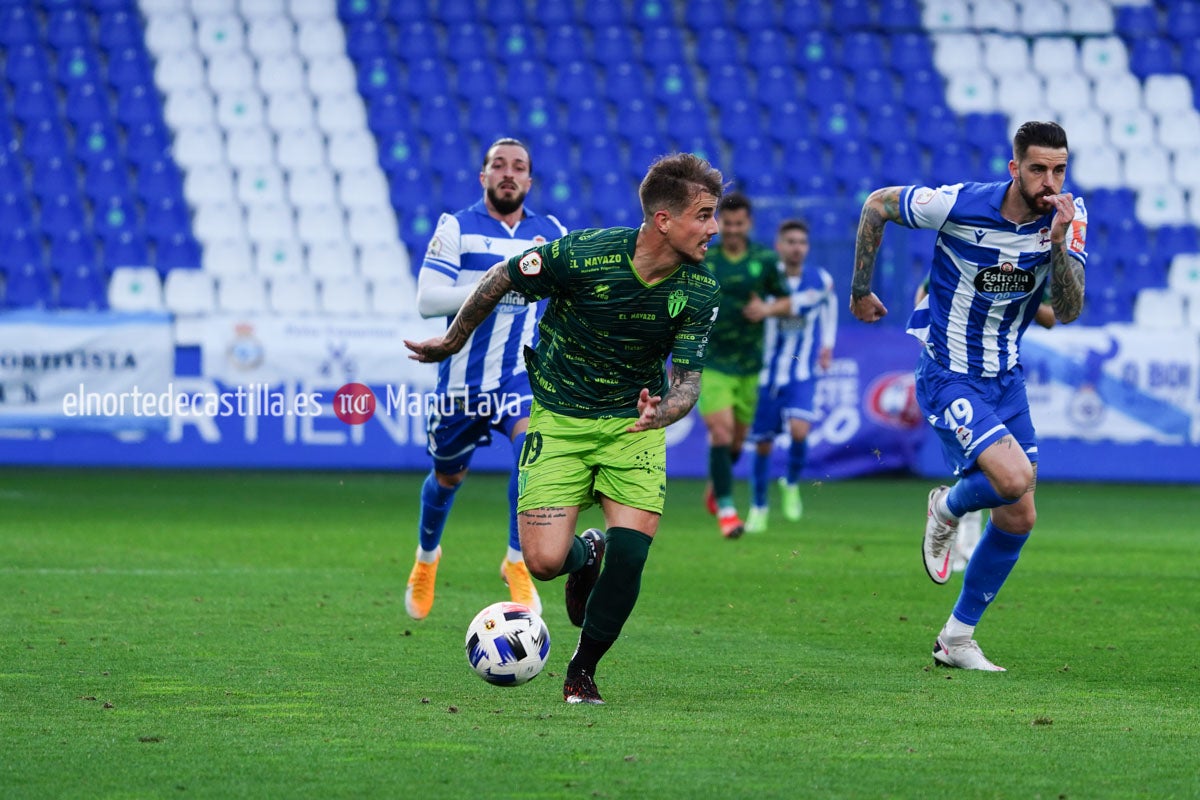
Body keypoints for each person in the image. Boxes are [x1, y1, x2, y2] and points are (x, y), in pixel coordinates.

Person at [406, 153, 724, 704]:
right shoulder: (584, 253)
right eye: (703, 215)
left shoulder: (699, 291)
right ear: (664, 220)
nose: (714, 229)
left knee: (633, 555)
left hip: (632, 427)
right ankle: (585, 555)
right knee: (545, 563)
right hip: (558, 417)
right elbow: (502, 275)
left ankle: (583, 669)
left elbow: (688, 383)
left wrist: (662, 413)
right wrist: (454, 339)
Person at [850, 121, 1086, 671]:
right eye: (1037, 169)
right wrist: (860, 290)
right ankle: (946, 505)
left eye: (1059, 169)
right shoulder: (957, 204)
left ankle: (956, 638)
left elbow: (1069, 310)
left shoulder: (1069, 219)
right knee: (1012, 480)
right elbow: (877, 204)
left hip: (1007, 378)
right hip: (949, 372)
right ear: (1014, 168)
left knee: (1020, 516)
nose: (1049, 181)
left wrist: (1057, 244)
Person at [405, 137, 568, 621]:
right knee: (447, 476)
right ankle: (427, 558)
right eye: (499, 165)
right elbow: (428, 300)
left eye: (519, 166)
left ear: (530, 180)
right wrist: (499, 280)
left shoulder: (551, 231)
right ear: (484, 177)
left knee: (532, 449)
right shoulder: (457, 227)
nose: (508, 173)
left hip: (519, 377)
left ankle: (516, 560)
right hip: (460, 384)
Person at [911, 278, 1055, 570]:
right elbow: (926, 288)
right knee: (993, 472)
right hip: (955, 373)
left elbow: (1052, 317)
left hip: (1003, 375)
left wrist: (1020, 296)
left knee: (1016, 488)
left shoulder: (1034, 257)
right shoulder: (971, 248)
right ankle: (952, 518)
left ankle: (957, 522)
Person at [699, 192, 791, 538]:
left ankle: (717, 482)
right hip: (711, 361)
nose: (734, 230)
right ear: (720, 223)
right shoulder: (706, 259)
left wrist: (766, 310)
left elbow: (785, 300)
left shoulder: (764, 260)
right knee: (720, 433)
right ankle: (727, 510)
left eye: (740, 224)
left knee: (735, 445)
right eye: (729, 223)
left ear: (748, 224)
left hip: (750, 365)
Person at [745, 219, 837, 534]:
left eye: (802, 242)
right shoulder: (765, 277)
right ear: (779, 245)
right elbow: (751, 308)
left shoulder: (818, 279)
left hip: (802, 370)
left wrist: (827, 344)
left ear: (807, 247)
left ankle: (792, 482)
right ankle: (758, 507)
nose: (797, 248)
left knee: (800, 430)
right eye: (791, 242)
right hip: (766, 373)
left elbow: (826, 304)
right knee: (763, 445)